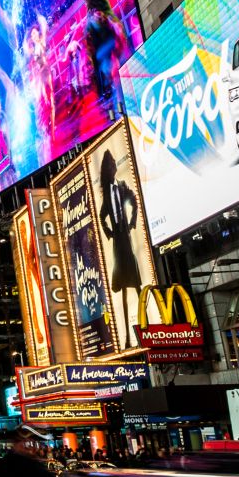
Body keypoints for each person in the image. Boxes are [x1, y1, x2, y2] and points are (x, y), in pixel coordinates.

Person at [96, 149, 145, 350]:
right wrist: (109, 233)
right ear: (108, 169)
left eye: (114, 163)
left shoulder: (123, 186)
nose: (114, 166)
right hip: (118, 241)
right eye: (111, 164)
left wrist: (132, 222)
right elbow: (101, 217)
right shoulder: (106, 194)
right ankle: (126, 337)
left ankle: (145, 330)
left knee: (137, 284)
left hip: (126, 237)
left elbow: (135, 202)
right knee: (124, 287)